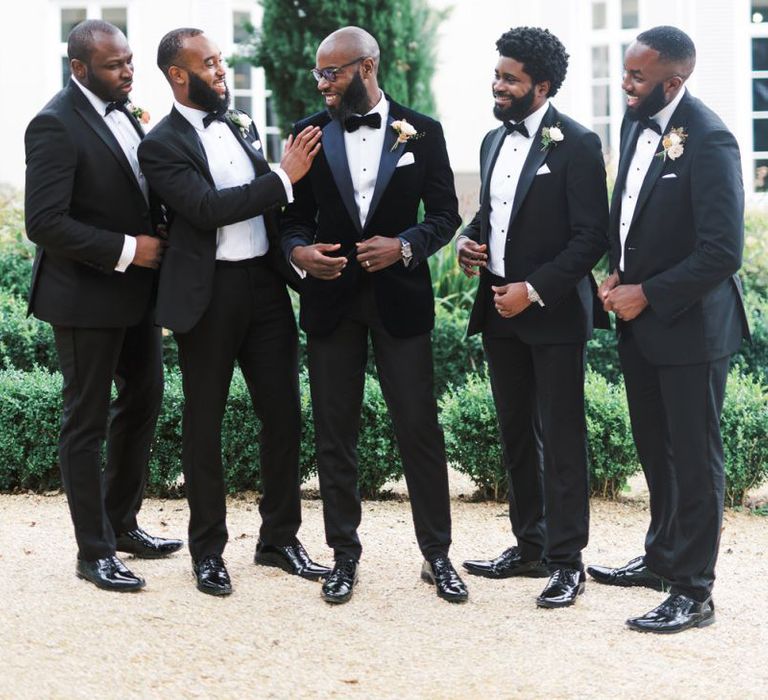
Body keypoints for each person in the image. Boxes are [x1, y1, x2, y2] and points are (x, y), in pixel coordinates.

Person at [138, 28, 328, 596]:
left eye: (221, 61)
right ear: (179, 74)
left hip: (265, 288)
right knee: (204, 425)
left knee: (284, 417)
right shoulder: (161, 144)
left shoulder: (240, 122)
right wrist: (281, 178)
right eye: (211, 63)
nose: (223, 71)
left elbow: (264, 208)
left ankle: (278, 540)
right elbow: (203, 209)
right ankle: (208, 551)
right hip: (208, 295)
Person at [281, 26, 467, 605]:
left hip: (399, 303)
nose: (322, 83)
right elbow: (291, 218)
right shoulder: (306, 133)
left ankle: (437, 555)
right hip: (331, 301)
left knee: (418, 428)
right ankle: (343, 555)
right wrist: (299, 253)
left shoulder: (424, 130)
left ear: (366, 68)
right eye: (318, 74)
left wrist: (404, 247)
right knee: (336, 433)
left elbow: (444, 213)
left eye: (331, 73)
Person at [590, 26, 750, 633]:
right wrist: (616, 272)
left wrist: (646, 293)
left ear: (674, 81)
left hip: (692, 330)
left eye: (636, 77)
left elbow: (721, 252)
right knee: (656, 450)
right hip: (639, 323)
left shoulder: (711, 140)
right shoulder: (638, 124)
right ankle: (660, 560)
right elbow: (630, 213)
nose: (625, 85)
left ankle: (693, 591)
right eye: (626, 72)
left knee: (693, 458)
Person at [24, 20, 182, 592]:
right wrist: (127, 250)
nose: (129, 71)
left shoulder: (127, 112)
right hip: (84, 296)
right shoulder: (52, 123)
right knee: (85, 422)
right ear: (79, 68)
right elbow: (42, 223)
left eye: (130, 61)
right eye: (115, 65)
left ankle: (122, 524)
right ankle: (93, 552)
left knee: (144, 400)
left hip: (137, 295)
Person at [456, 27, 609, 608]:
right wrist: (469, 246)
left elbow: (589, 235)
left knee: (563, 439)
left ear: (540, 85)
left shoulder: (577, 143)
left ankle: (567, 561)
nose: (497, 85)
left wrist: (534, 289)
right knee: (517, 434)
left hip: (553, 315)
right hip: (497, 312)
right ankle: (529, 546)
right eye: (497, 75)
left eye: (509, 78)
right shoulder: (492, 141)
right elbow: (493, 218)